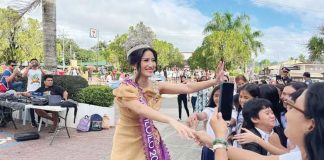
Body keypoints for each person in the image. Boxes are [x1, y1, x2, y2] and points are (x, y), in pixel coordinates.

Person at [110, 29, 225, 159]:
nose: (151, 64)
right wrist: (171, 121)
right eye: (146, 60)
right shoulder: (126, 88)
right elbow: (141, 109)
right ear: (134, 63)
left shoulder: (156, 85)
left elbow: (187, 87)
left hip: (150, 139)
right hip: (128, 142)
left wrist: (215, 80)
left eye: (153, 60)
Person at [196, 82, 324, 160]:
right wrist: (211, 141)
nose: (286, 114)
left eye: (293, 107)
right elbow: (257, 158)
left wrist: (219, 137)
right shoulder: (304, 155)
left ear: (310, 124)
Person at [187, 85, 221, 160]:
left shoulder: (232, 111)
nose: (218, 98)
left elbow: (232, 121)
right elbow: (202, 115)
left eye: (221, 96)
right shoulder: (209, 110)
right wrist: (195, 114)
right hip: (209, 147)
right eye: (216, 95)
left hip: (224, 148)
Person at [22, 58, 46, 127]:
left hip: (39, 90)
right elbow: (23, 75)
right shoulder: (29, 70)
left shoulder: (39, 70)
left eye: (35, 62)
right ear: (30, 63)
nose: (34, 63)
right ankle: (33, 121)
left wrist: (40, 67)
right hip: (31, 90)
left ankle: (39, 119)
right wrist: (28, 67)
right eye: (32, 62)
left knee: (40, 105)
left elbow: (45, 75)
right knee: (32, 106)